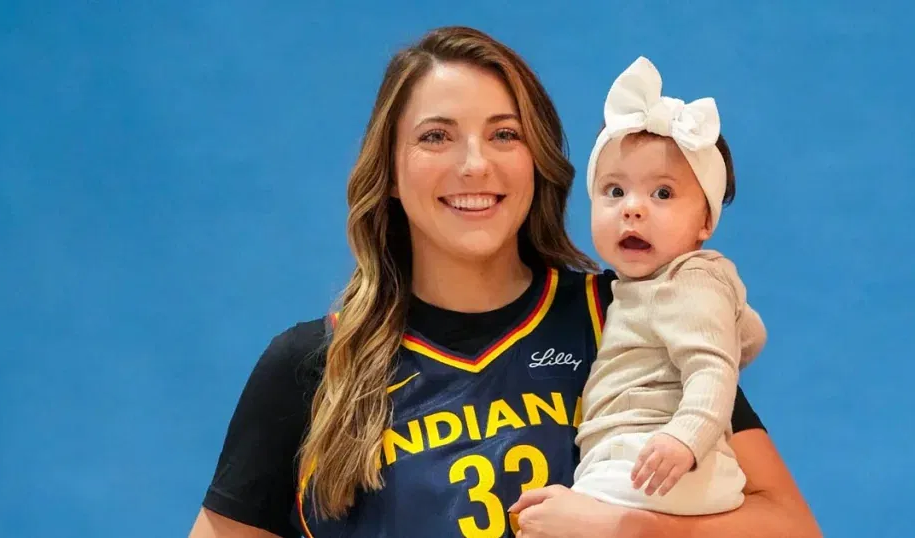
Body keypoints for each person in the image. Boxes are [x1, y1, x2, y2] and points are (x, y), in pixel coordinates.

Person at [188, 26, 821, 538]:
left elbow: (790, 526)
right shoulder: (312, 364)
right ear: (387, 168)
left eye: (504, 134)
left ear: (539, 160)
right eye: (436, 136)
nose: (474, 164)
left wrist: (627, 528)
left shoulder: (627, 311)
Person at [570, 56, 767, 517]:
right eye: (614, 191)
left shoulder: (688, 279)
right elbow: (750, 336)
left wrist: (685, 437)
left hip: (655, 459)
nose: (632, 209)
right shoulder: (662, 287)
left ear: (705, 221)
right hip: (656, 461)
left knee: (558, 520)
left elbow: (713, 367)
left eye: (662, 193)